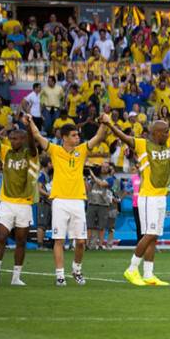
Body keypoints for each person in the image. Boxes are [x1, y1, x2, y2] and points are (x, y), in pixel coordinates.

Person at [104, 93, 170, 287]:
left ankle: (149, 274)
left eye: (168, 131)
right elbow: (123, 136)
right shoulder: (142, 144)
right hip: (148, 197)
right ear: (155, 133)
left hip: (160, 196)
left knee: (154, 235)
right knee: (148, 234)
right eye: (165, 132)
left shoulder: (166, 142)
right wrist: (109, 124)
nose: (168, 135)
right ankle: (132, 268)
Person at [26, 113, 108, 286]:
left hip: (78, 200)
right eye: (74, 135)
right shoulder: (55, 150)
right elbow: (37, 135)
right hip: (60, 201)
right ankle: (60, 275)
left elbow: (100, 136)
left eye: (78, 135)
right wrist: (31, 121)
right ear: (64, 137)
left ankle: (76, 270)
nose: (78, 137)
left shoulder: (82, 149)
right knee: (59, 240)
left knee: (80, 242)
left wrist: (104, 121)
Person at [0, 103, 37, 286]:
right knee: (1, 237)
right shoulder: (5, 152)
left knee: (21, 241)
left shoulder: (30, 154)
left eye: (15, 139)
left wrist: (29, 124)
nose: (12, 141)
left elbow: (33, 143)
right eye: (11, 138)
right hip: (6, 203)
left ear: (22, 139)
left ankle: (16, 277)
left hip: (24, 203)